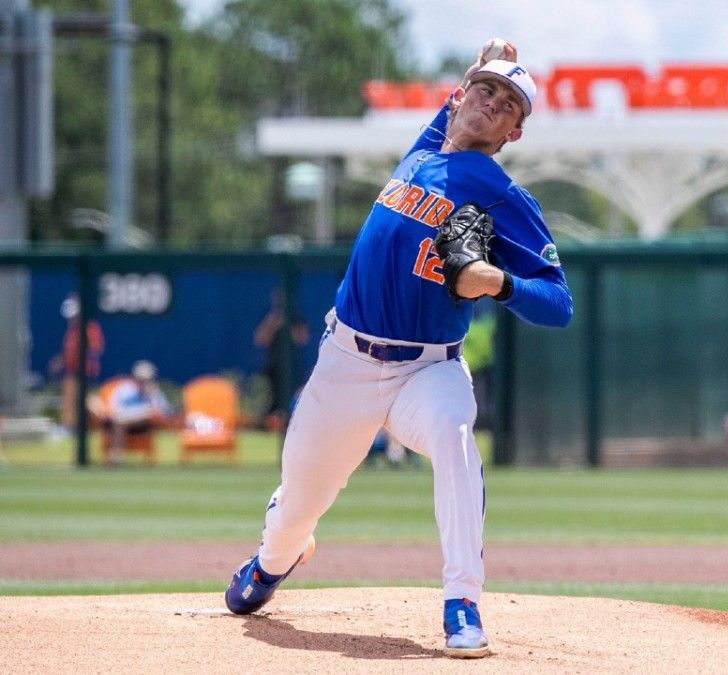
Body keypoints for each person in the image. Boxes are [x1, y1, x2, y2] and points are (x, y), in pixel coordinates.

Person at [223, 41, 572, 660]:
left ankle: (462, 601)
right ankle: (274, 561)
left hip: (428, 368)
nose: (492, 104)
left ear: (515, 132)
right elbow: (455, 111)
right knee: (298, 505)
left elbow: (559, 303)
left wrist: (500, 282)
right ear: (460, 95)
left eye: (509, 104)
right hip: (345, 363)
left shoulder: (505, 197)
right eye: (486, 90)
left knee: (455, 436)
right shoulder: (425, 150)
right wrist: (476, 69)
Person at [253, 290, 311, 429]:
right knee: (270, 399)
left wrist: (291, 328)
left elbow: (303, 338)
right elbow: (260, 340)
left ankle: (291, 422)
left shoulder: (296, 319)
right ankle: (266, 423)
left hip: (291, 369)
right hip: (273, 368)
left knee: (293, 397)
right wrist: (273, 324)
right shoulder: (271, 319)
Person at [96, 360, 172, 466]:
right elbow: (113, 408)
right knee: (118, 421)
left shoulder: (155, 393)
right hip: (120, 420)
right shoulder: (124, 390)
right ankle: (115, 459)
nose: (144, 382)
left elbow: (164, 412)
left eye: (148, 379)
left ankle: (115, 458)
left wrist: (150, 396)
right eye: (141, 379)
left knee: (128, 418)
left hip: (144, 425)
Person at [48, 293, 105, 433]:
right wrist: (60, 361)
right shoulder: (72, 330)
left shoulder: (89, 327)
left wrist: (83, 356)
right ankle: (69, 426)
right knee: (71, 399)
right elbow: (68, 351)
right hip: (72, 370)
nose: (71, 319)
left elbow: (96, 348)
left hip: (84, 371)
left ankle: (101, 420)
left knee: (82, 400)